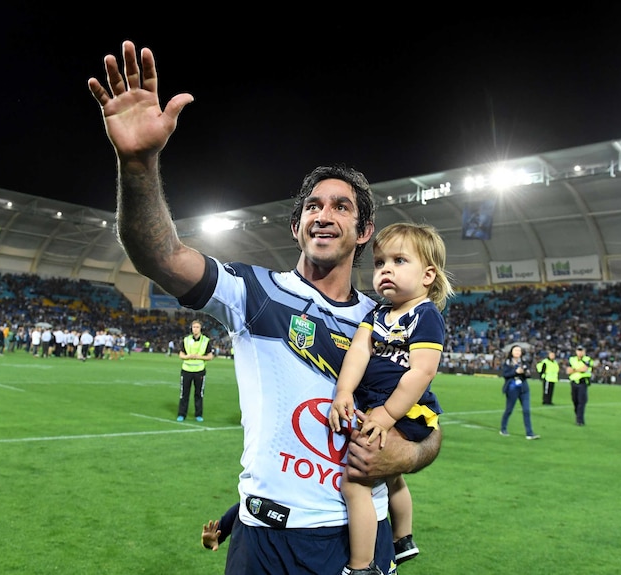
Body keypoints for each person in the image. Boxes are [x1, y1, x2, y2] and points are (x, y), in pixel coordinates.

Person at [87, 40, 442, 575]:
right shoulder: (254, 293)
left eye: (341, 207)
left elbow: (430, 426)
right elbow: (157, 254)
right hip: (264, 542)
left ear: (364, 231)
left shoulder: (389, 323)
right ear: (297, 226)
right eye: (312, 206)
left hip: (356, 541)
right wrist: (138, 164)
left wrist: (407, 456)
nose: (325, 214)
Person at [329, 222, 452, 574]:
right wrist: (344, 391)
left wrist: (385, 415)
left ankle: (362, 565)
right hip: (377, 403)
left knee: (355, 483)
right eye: (381, 262)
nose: (385, 270)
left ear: (428, 274)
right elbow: (357, 353)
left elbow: (421, 373)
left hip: (406, 409)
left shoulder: (425, 315)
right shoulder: (377, 314)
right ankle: (403, 538)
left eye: (399, 261)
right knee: (393, 476)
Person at [499, 344, 540, 439]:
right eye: (515, 350)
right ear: (511, 352)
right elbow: (505, 374)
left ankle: (529, 433)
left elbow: (528, 375)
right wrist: (515, 372)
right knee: (509, 410)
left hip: (524, 388)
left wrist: (526, 372)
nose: (517, 352)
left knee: (526, 410)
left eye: (519, 351)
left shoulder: (524, 362)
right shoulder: (508, 362)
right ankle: (503, 428)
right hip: (512, 388)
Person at [177, 319, 214, 422]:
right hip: (186, 370)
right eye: (194, 327)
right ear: (191, 328)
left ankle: (198, 414)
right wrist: (188, 356)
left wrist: (199, 357)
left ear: (201, 328)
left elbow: (210, 356)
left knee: (199, 394)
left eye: (197, 327)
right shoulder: (186, 340)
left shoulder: (205, 341)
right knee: (184, 393)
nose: (195, 329)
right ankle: (181, 414)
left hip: (199, 371)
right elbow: (181, 354)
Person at [567, 344, 593, 426]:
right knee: (575, 401)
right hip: (574, 382)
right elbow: (568, 371)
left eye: (581, 351)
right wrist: (578, 370)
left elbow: (584, 369)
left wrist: (574, 370)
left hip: (582, 382)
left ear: (584, 352)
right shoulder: (572, 359)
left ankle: (580, 420)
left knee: (581, 401)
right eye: (578, 351)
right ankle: (578, 415)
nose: (580, 352)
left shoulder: (587, 359)